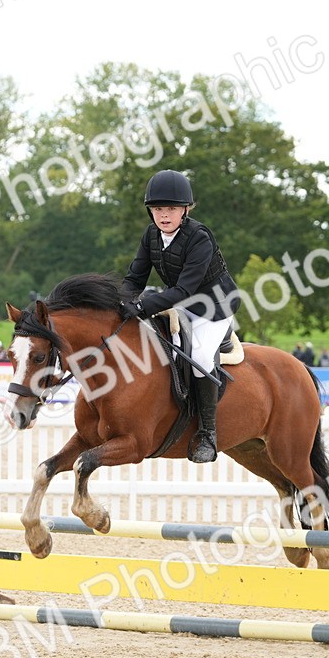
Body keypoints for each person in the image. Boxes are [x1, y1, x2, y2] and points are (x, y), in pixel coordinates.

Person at [120, 169, 239, 464]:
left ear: (185, 210)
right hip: (183, 303)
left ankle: (207, 433)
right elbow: (134, 279)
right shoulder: (151, 235)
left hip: (214, 308)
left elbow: (184, 289)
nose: (164, 215)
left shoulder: (199, 238)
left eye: (171, 209)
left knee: (199, 355)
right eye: (158, 208)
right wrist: (120, 302)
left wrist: (142, 307)